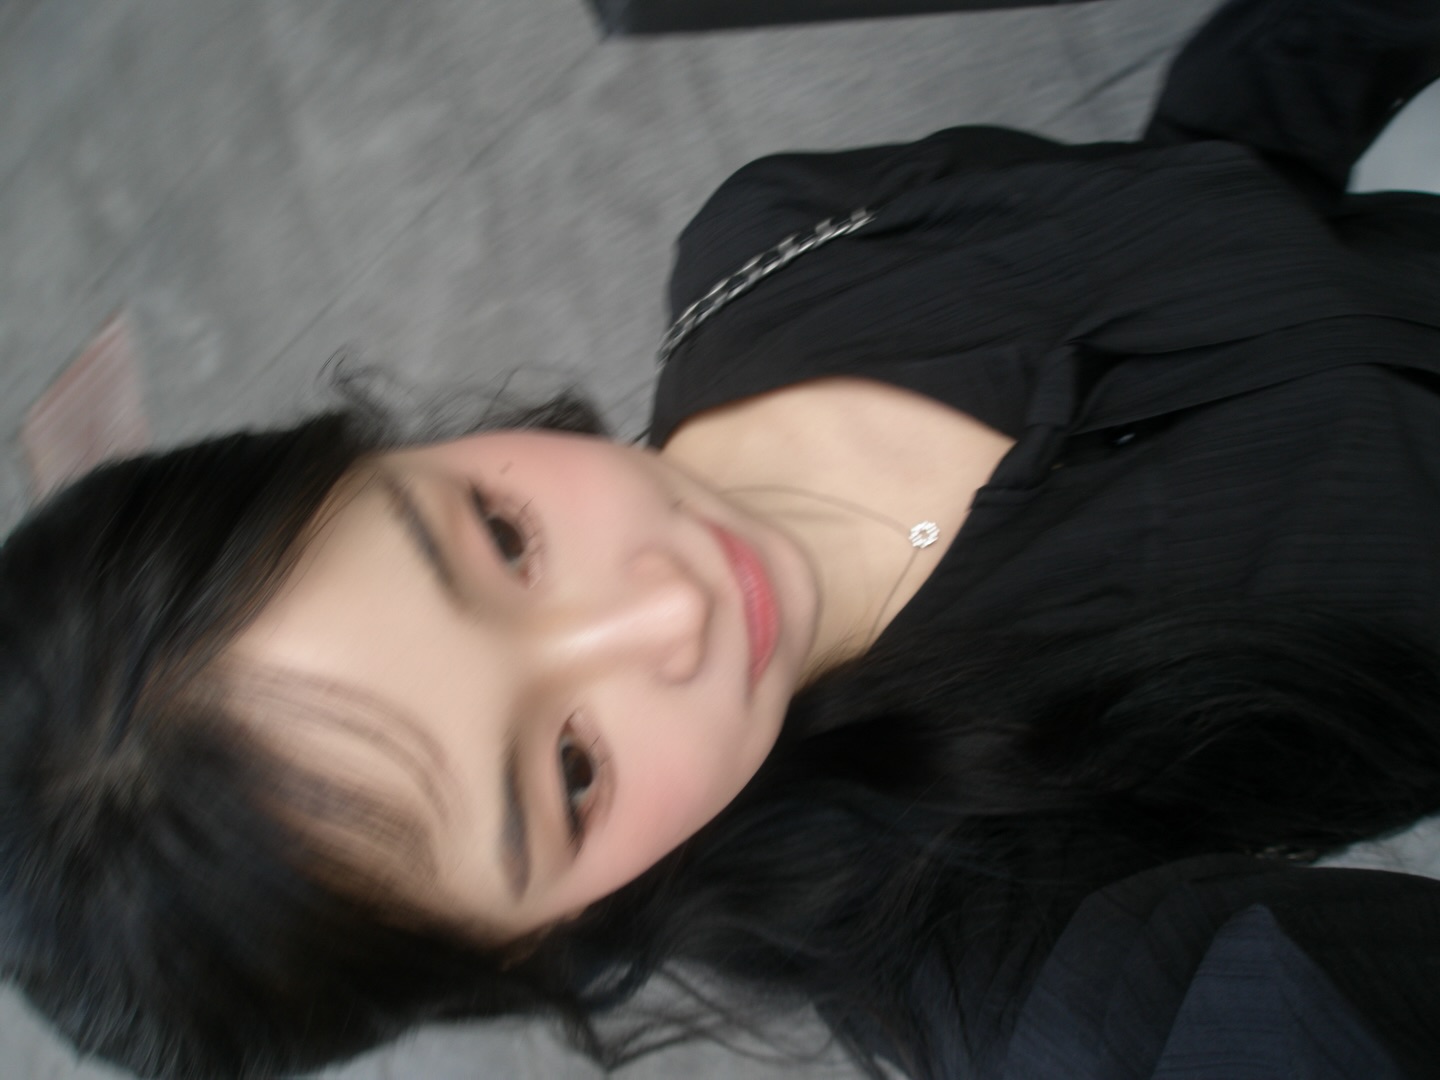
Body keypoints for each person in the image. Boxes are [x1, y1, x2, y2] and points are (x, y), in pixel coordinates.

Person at [4, 0, 1440, 1077]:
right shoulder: (985, 942)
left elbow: (1206, 177)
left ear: (402, 449)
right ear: (538, 939)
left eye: (500, 537)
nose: (669, 607)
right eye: (569, 773)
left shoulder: (767, 243)